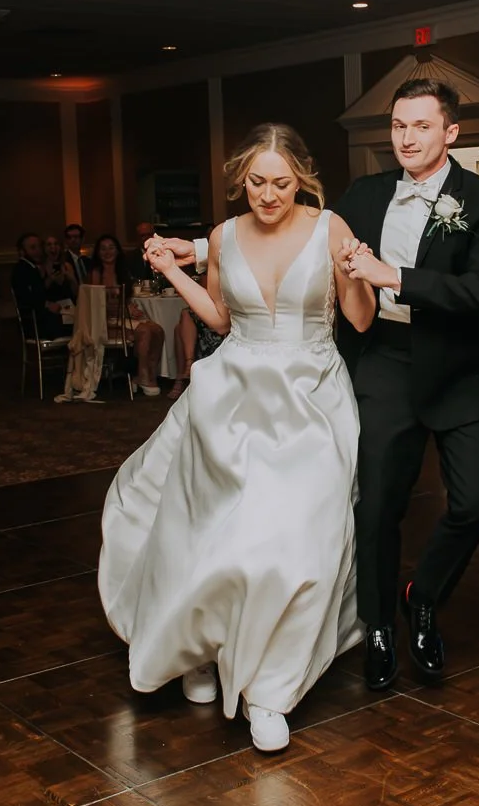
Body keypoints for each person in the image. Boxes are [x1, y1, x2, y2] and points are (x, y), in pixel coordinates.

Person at [158, 80, 479, 694]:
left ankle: (421, 596)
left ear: (451, 133)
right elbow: (289, 223)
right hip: (386, 362)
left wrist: (391, 275)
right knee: (375, 505)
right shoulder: (368, 193)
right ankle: (377, 625)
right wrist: (193, 248)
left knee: (478, 501)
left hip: (460, 369)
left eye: (422, 126)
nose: (407, 137)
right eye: (400, 125)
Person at [99, 123, 375, 753]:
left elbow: (358, 319)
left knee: (301, 544)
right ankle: (199, 651)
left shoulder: (329, 227)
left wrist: (356, 270)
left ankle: (271, 690)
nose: (268, 196)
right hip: (232, 399)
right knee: (213, 536)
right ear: (240, 179)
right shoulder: (223, 236)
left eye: (280, 183)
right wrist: (174, 270)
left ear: (301, 178)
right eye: (255, 182)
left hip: (312, 400)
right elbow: (222, 318)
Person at [88, 234, 164, 398]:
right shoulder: (96, 273)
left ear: (117, 251)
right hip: (105, 321)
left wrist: (130, 307)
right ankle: (143, 375)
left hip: (123, 319)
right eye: (103, 248)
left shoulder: (122, 270)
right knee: (145, 331)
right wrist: (125, 309)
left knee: (157, 330)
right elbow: (97, 305)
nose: (107, 252)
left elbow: (125, 299)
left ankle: (146, 374)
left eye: (111, 248)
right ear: (98, 252)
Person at [12, 233, 64, 340]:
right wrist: (46, 304)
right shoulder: (21, 270)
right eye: (32, 248)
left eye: (39, 247)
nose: (38, 251)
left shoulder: (32, 268)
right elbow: (25, 297)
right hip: (35, 322)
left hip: (40, 317)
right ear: (22, 252)